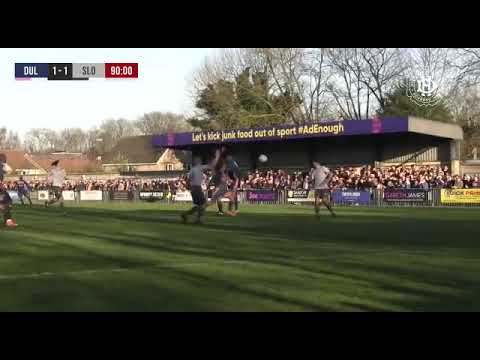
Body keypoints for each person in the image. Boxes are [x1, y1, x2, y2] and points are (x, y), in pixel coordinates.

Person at [181, 151, 220, 224]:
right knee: (203, 205)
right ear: (196, 161)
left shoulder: (194, 169)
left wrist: (189, 187)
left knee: (200, 205)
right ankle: (195, 218)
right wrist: (217, 156)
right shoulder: (197, 168)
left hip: (195, 188)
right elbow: (211, 165)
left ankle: (187, 215)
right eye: (198, 160)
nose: (200, 161)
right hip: (196, 188)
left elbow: (188, 180)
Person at [208, 147, 236, 216]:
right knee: (220, 199)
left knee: (230, 198)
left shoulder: (221, 165)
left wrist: (229, 180)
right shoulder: (218, 165)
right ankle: (222, 211)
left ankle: (223, 211)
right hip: (220, 186)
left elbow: (224, 174)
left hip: (223, 186)